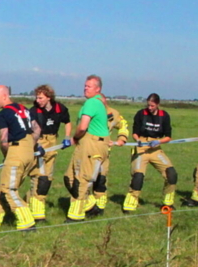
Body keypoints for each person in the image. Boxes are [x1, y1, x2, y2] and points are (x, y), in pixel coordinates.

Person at [0, 85, 40, 231]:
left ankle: (27, 221)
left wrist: (6, 155)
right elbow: (37, 129)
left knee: (8, 189)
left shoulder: (3, 114)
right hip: (29, 152)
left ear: (4, 96)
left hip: (16, 151)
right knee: (3, 186)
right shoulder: (24, 109)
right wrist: (31, 145)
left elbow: (3, 140)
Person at [63, 75, 110, 221]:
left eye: (89, 86)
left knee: (81, 179)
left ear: (98, 89)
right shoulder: (97, 103)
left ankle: (75, 215)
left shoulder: (91, 103)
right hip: (95, 143)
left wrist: (75, 137)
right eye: (85, 86)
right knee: (69, 177)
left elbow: (83, 126)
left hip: (91, 143)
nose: (85, 88)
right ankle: (91, 206)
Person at [123, 93, 177, 212]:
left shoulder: (164, 116)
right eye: (148, 105)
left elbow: (168, 137)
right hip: (142, 146)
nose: (150, 108)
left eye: (152, 106)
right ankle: (131, 202)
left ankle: (168, 202)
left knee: (171, 174)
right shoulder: (141, 114)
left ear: (158, 105)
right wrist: (138, 140)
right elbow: (135, 132)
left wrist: (158, 141)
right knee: (138, 176)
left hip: (156, 148)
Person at [26, 84, 71, 221]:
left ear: (48, 97)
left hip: (53, 141)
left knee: (48, 177)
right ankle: (37, 214)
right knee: (40, 178)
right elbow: (29, 131)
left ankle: (29, 204)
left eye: (40, 97)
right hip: (38, 141)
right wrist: (36, 145)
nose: (37, 100)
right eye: (37, 97)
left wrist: (67, 137)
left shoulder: (60, 108)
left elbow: (67, 122)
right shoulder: (33, 111)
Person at [94, 95, 130, 213]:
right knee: (86, 179)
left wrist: (122, 139)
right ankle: (86, 205)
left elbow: (123, 124)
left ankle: (99, 207)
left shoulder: (113, 113)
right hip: (89, 150)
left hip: (104, 152)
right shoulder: (89, 111)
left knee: (101, 178)